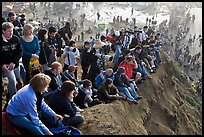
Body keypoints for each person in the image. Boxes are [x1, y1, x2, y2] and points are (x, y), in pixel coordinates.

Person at [2, 22, 23, 110]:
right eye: (8, 31)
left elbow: (20, 51)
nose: (11, 33)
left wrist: (14, 62)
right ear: (3, 31)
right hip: (5, 65)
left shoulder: (15, 39)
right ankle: (12, 100)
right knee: (12, 81)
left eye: (12, 31)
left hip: (15, 64)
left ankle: (19, 96)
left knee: (19, 80)